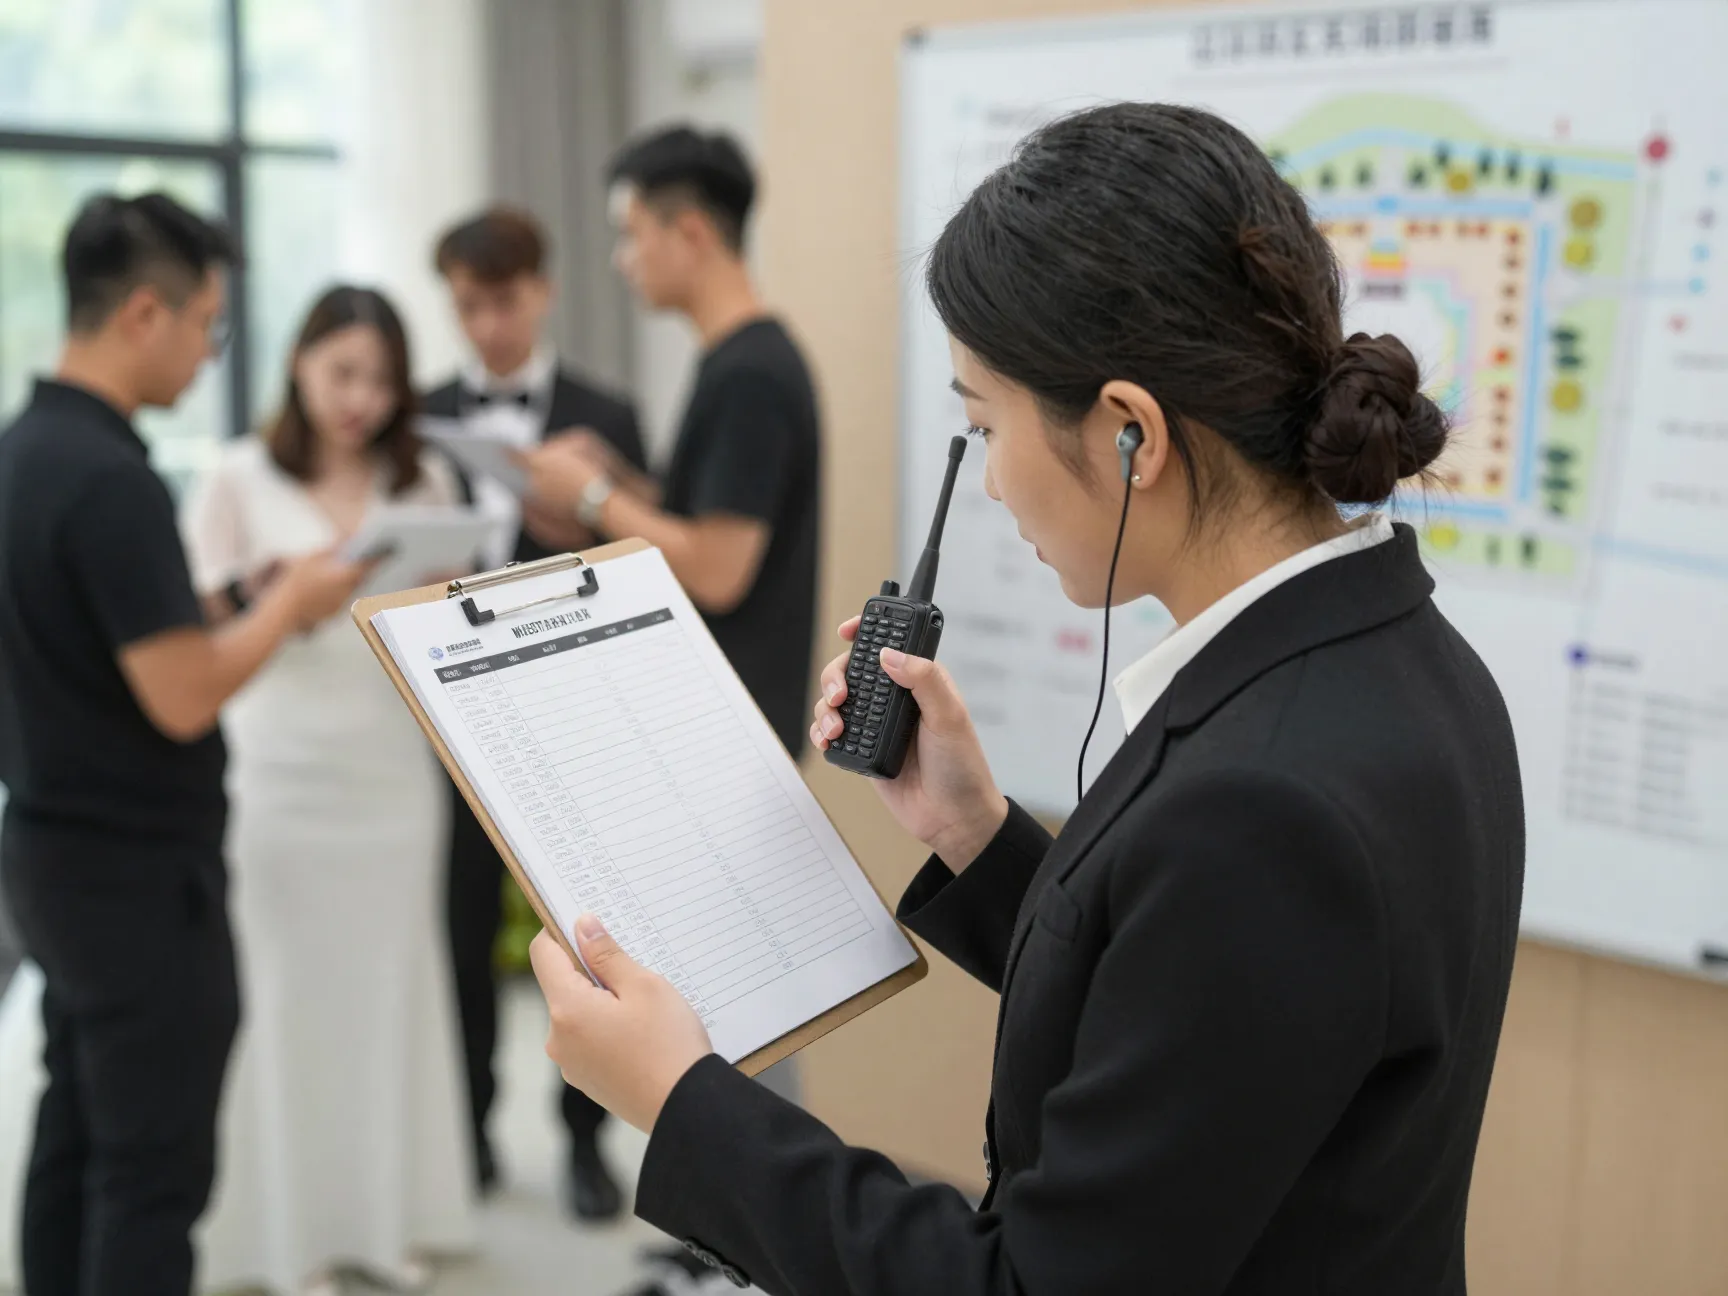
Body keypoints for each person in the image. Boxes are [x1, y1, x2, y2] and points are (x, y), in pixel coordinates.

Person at [527, 103, 1527, 1296]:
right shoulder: (1399, 652)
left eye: (984, 423)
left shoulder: (1262, 804)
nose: (990, 481)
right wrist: (980, 837)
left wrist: (683, 1102)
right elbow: (1201, 1027)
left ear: (1128, 437)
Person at [0, 193, 373, 1296]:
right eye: (208, 326)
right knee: (153, 1171)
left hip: (53, 850)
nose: (213, 355)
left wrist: (235, 607)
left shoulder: (26, 450)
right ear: (144, 314)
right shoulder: (109, 479)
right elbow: (181, 695)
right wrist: (293, 602)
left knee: (77, 1123)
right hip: (134, 876)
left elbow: (107, 649)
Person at [182, 286, 474, 1295]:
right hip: (279, 769)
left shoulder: (426, 476)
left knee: (388, 986)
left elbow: (452, 621)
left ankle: (383, 1217)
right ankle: (285, 1233)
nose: (361, 399)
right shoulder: (235, 475)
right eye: (343, 372)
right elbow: (197, 629)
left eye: (382, 380)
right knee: (282, 998)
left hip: (394, 773)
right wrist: (274, 594)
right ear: (299, 363)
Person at [422, 207, 647, 1218]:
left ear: (543, 291)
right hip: (449, 720)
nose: (487, 326)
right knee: (456, 926)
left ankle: (586, 1143)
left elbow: (643, 562)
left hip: (570, 713)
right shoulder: (420, 413)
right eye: (468, 306)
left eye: (503, 302)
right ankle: (464, 1129)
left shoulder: (610, 411)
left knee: (584, 934)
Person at [521, 125, 822, 760]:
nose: (620, 259)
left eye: (631, 234)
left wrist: (592, 496)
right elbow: (711, 513)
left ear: (690, 233)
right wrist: (625, 483)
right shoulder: (738, 359)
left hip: (734, 729)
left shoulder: (750, 374)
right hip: (727, 718)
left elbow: (717, 571)